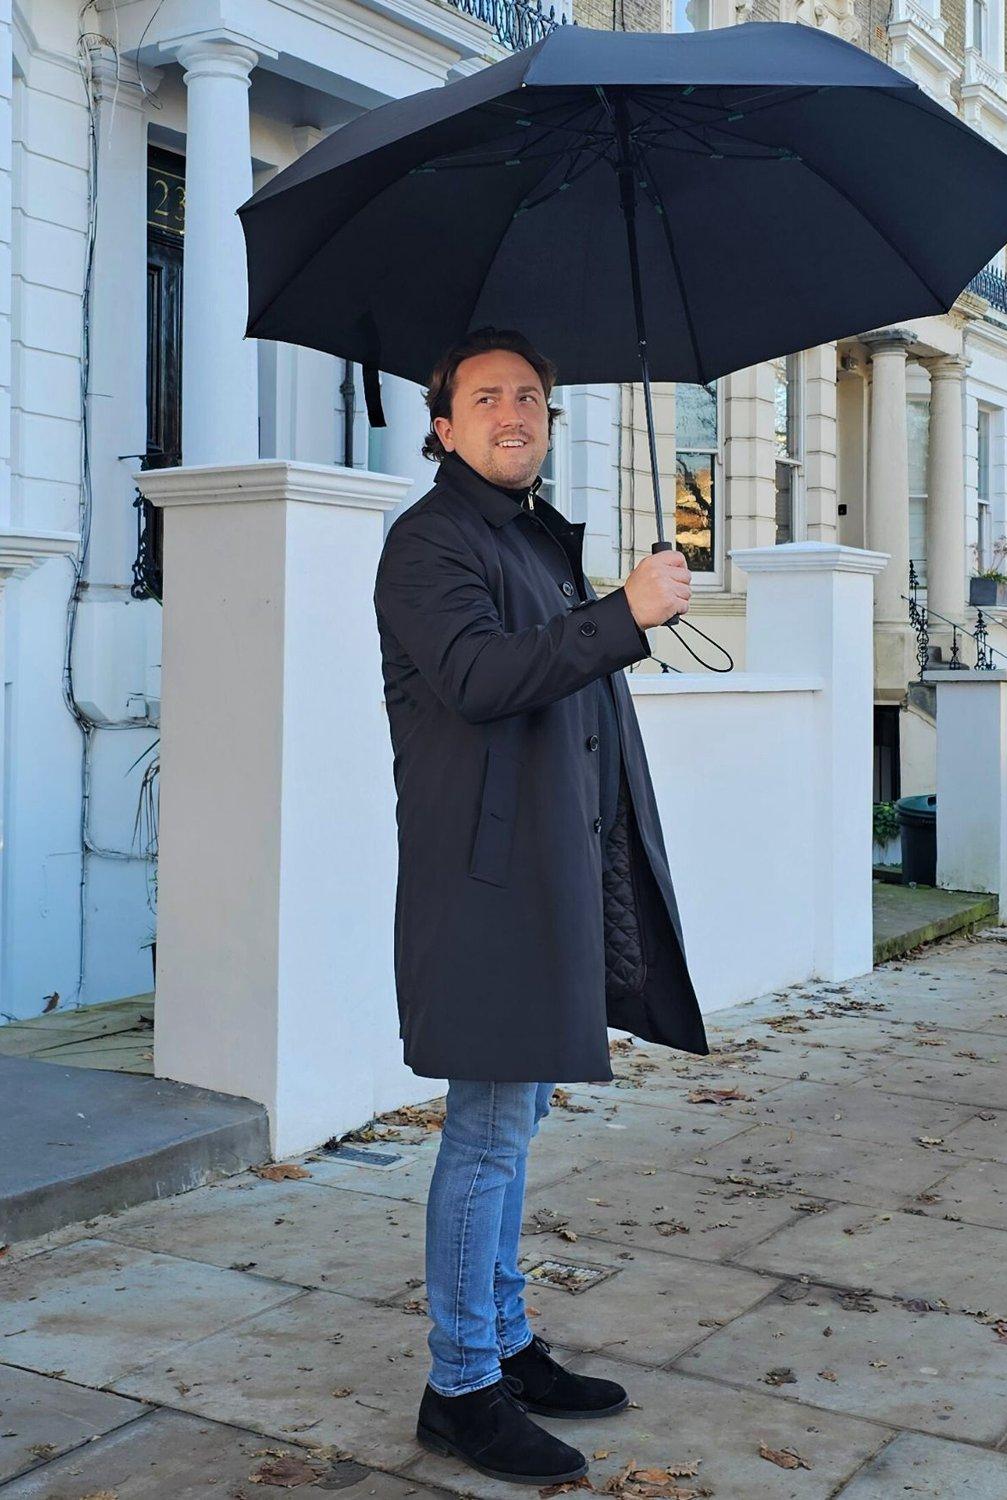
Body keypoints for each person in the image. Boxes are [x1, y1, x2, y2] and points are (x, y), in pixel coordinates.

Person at [374, 327, 708, 1487]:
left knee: (514, 1123)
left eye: (530, 396)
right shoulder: (431, 542)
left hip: (548, 872)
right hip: (485, 884)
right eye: (486, 398)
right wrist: (623, 612)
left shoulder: (529, 537)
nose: (513, 413)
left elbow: (568, 696)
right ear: (442, 425)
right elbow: (478, 679)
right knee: (484, 1133)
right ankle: (461, 1387)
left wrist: (620, 613)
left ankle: (504, 1342)